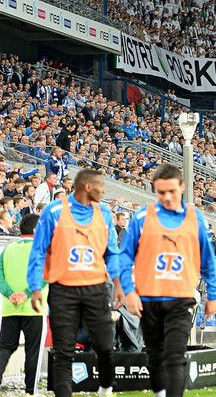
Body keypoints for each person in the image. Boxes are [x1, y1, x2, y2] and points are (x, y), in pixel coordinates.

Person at [119, 163, 216, 397]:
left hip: (181, 298)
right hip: (148, 298)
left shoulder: (195, 219)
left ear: (182, 187)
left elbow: (207, 259)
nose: (166, 197)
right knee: (155, 357)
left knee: (175, 358)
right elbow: (124, 257)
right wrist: (130, 292)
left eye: (172, 192)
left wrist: (213, 295)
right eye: (161, 192)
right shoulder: (142, 217)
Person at [27, 169, 124, 397]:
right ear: (87, 187)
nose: (104, 190)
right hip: (62, 290)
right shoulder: (54, 211)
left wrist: (119, 283)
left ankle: (106, 386)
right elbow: (38, 251)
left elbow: (112, 252)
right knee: (64, 352)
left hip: (96, 289)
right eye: (101, 185)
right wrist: (34, 287)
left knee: (106, 349)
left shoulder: (104, 213)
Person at [0, 214, 45, 395]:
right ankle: (30, 392)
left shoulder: (7, 249)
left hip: (10, 308)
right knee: (33, 352)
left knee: (4, 348)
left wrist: (10, 294)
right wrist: (26, 294)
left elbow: (0, 276)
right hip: (34, 309)